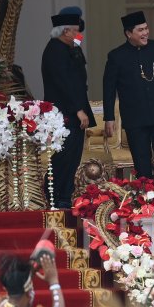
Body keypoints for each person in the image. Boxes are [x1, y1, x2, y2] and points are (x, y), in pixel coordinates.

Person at [103, 11, 154, 178]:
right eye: (140, 30)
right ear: (128, 33)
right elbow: (109, 89)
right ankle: (146, 197)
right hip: (135, 117)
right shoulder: (116, 56)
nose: (145, 33)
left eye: (146, 28)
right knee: (141, 160)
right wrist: (109, 117)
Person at [41, 12, 95, 209]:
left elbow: (79, 72)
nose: (80, 34)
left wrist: (77, 44)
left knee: (73, 157)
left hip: (74, 111)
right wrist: (78, 110)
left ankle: (64, 195)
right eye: (76, 30)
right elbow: (64, 83)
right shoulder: (55, 49)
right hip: (65, 113)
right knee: (64, 156)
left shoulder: (69, 48)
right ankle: (56, 195)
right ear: (66, 31)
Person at [0, 253, 66, 307]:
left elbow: (16, 281)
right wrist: (53, 281)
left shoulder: (2, 303)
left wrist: (32, 268)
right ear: (28, 293)